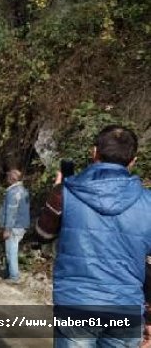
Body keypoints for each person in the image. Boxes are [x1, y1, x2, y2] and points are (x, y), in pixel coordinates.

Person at [36, 125, 151, 347]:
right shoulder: (148, 203)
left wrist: (56, 194)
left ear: (94, 152)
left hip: (77, 302)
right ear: (133, 161)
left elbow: (42, 235)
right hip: (126, 306)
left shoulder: (66, 192)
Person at [0, 169, 30, 284]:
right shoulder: (24, 190)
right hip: (22, 225)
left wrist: (7, 229)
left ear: (12, 178)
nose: (6, 179)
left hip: (14, 226)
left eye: (8, 177)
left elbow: (11, 212)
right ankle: (8, 273)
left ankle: (14, 276)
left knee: (11, 250)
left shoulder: (13, 192)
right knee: (10, 250)